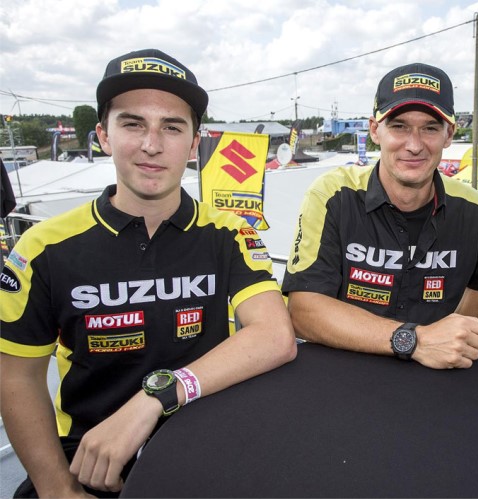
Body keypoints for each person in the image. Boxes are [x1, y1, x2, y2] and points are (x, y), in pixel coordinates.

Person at [0, 48, 297, 497]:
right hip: (85, 463)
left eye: (172, 127)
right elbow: (18, 377)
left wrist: (155, 398)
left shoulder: (230, 233)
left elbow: (275, 335)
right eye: (133, 124)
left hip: (206, 454)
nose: (152, 145)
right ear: (103, 135)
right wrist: (56, 488)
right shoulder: (42, 247)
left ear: (194, 144)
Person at [282, 62, 478, 369]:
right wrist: (415, 340)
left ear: (449, 134)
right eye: (399, 126)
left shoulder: (473, 209)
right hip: (344, 373)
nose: (414, 145)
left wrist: (449, 347)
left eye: (430, 128)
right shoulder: (332, 194)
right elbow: (303, 310)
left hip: (436, 380)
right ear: (375, 130)